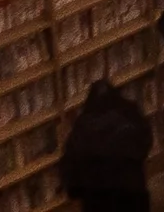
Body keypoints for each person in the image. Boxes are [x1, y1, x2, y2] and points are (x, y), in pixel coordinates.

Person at [60, 77, 151, 212]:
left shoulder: (81, 129)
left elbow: (72, 179)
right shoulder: (131, 115)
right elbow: (146, 145)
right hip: (133, 198)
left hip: (97, 203)